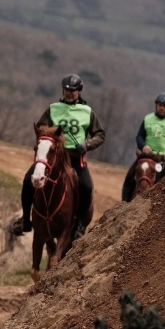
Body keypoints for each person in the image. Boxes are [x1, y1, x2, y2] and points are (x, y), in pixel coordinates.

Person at [10, 74, 105, 239]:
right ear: (63, 90)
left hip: (75, 158)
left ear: (79, 91)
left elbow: (100, 134)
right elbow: (40, 127)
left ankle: (80, 225)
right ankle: (25, 220)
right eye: (67, 89)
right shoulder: (53, 108)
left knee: (87, 187)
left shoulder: (87, 111)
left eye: (73, 90)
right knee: (28, 180)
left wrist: (88, 144)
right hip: (52, 157)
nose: (69, 93)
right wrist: (49, 136)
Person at [121, 92, 165, 201]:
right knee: (129, 177)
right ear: (156, 105)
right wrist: (143, 146)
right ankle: (123, 204)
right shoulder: (148, 118)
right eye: (160, 105)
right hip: (147, 156)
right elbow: (139, 136)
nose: (162, 107)